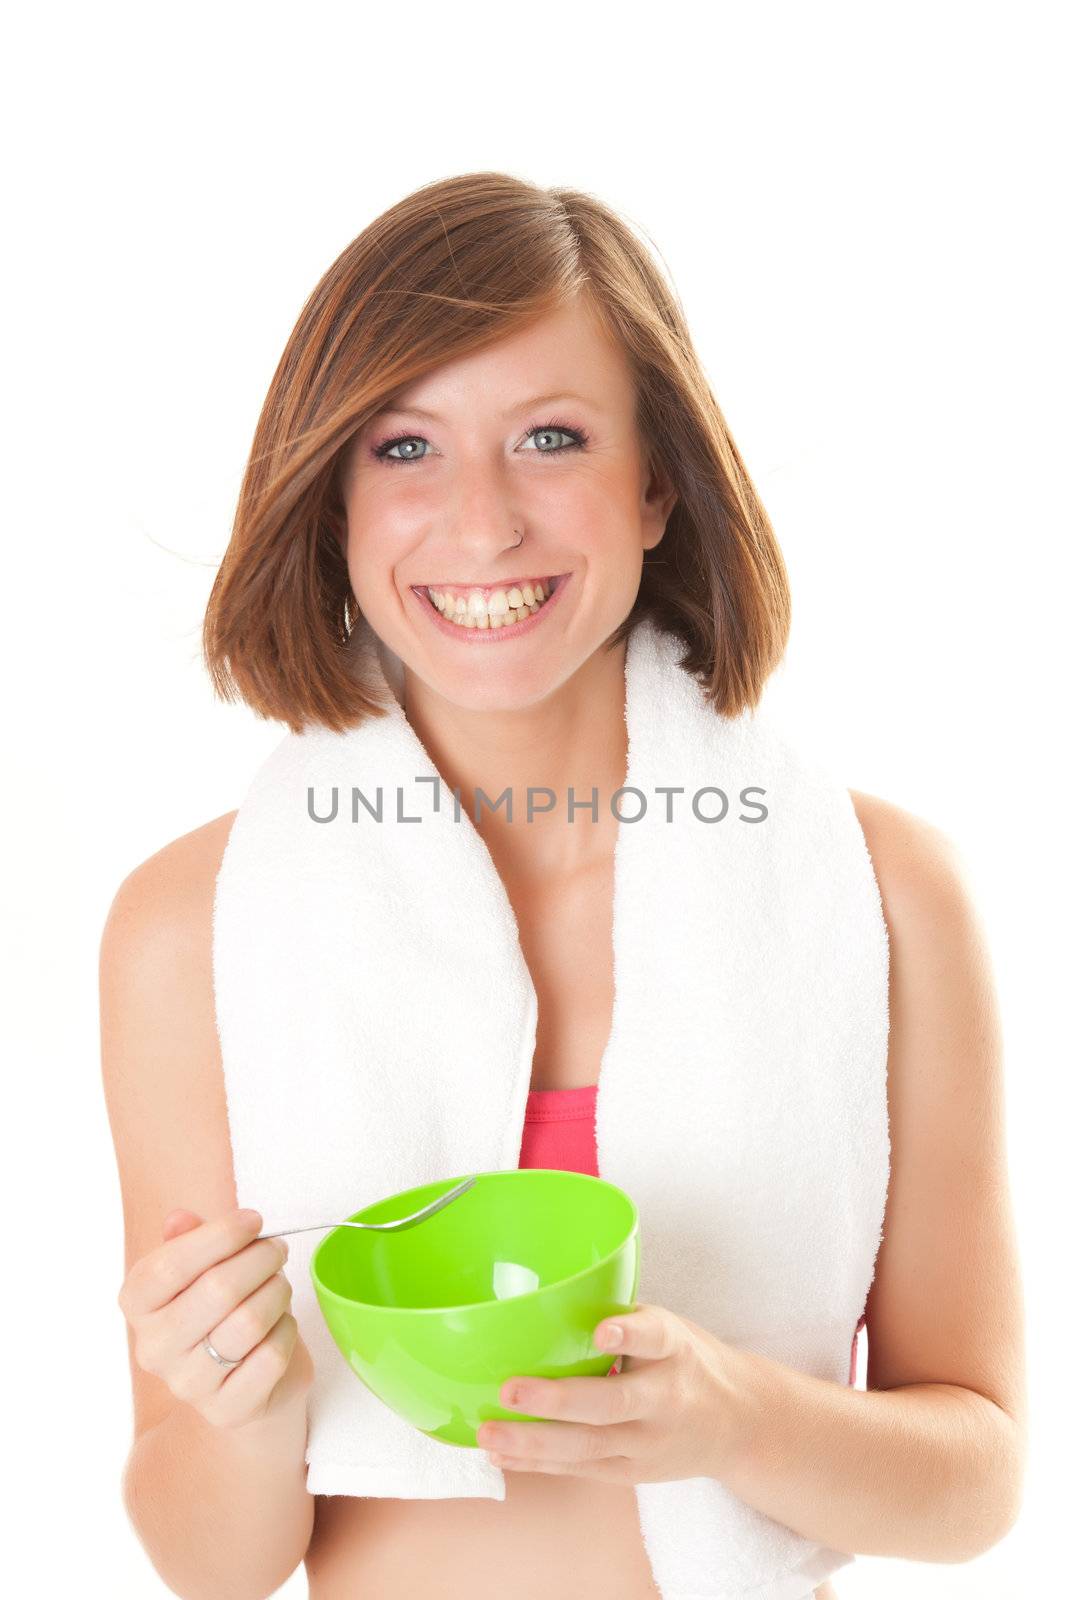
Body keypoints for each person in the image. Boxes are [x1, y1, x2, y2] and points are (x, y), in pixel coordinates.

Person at [101, 171, 1026, 1600]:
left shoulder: (888, 895)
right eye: (404, 449)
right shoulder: (190, 932)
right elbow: (208, 1565)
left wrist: (735, 1415)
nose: (481, 526)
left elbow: (973, 1485)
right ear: (332, 496)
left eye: (550, 438)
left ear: (656, 482)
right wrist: (235, 1394)